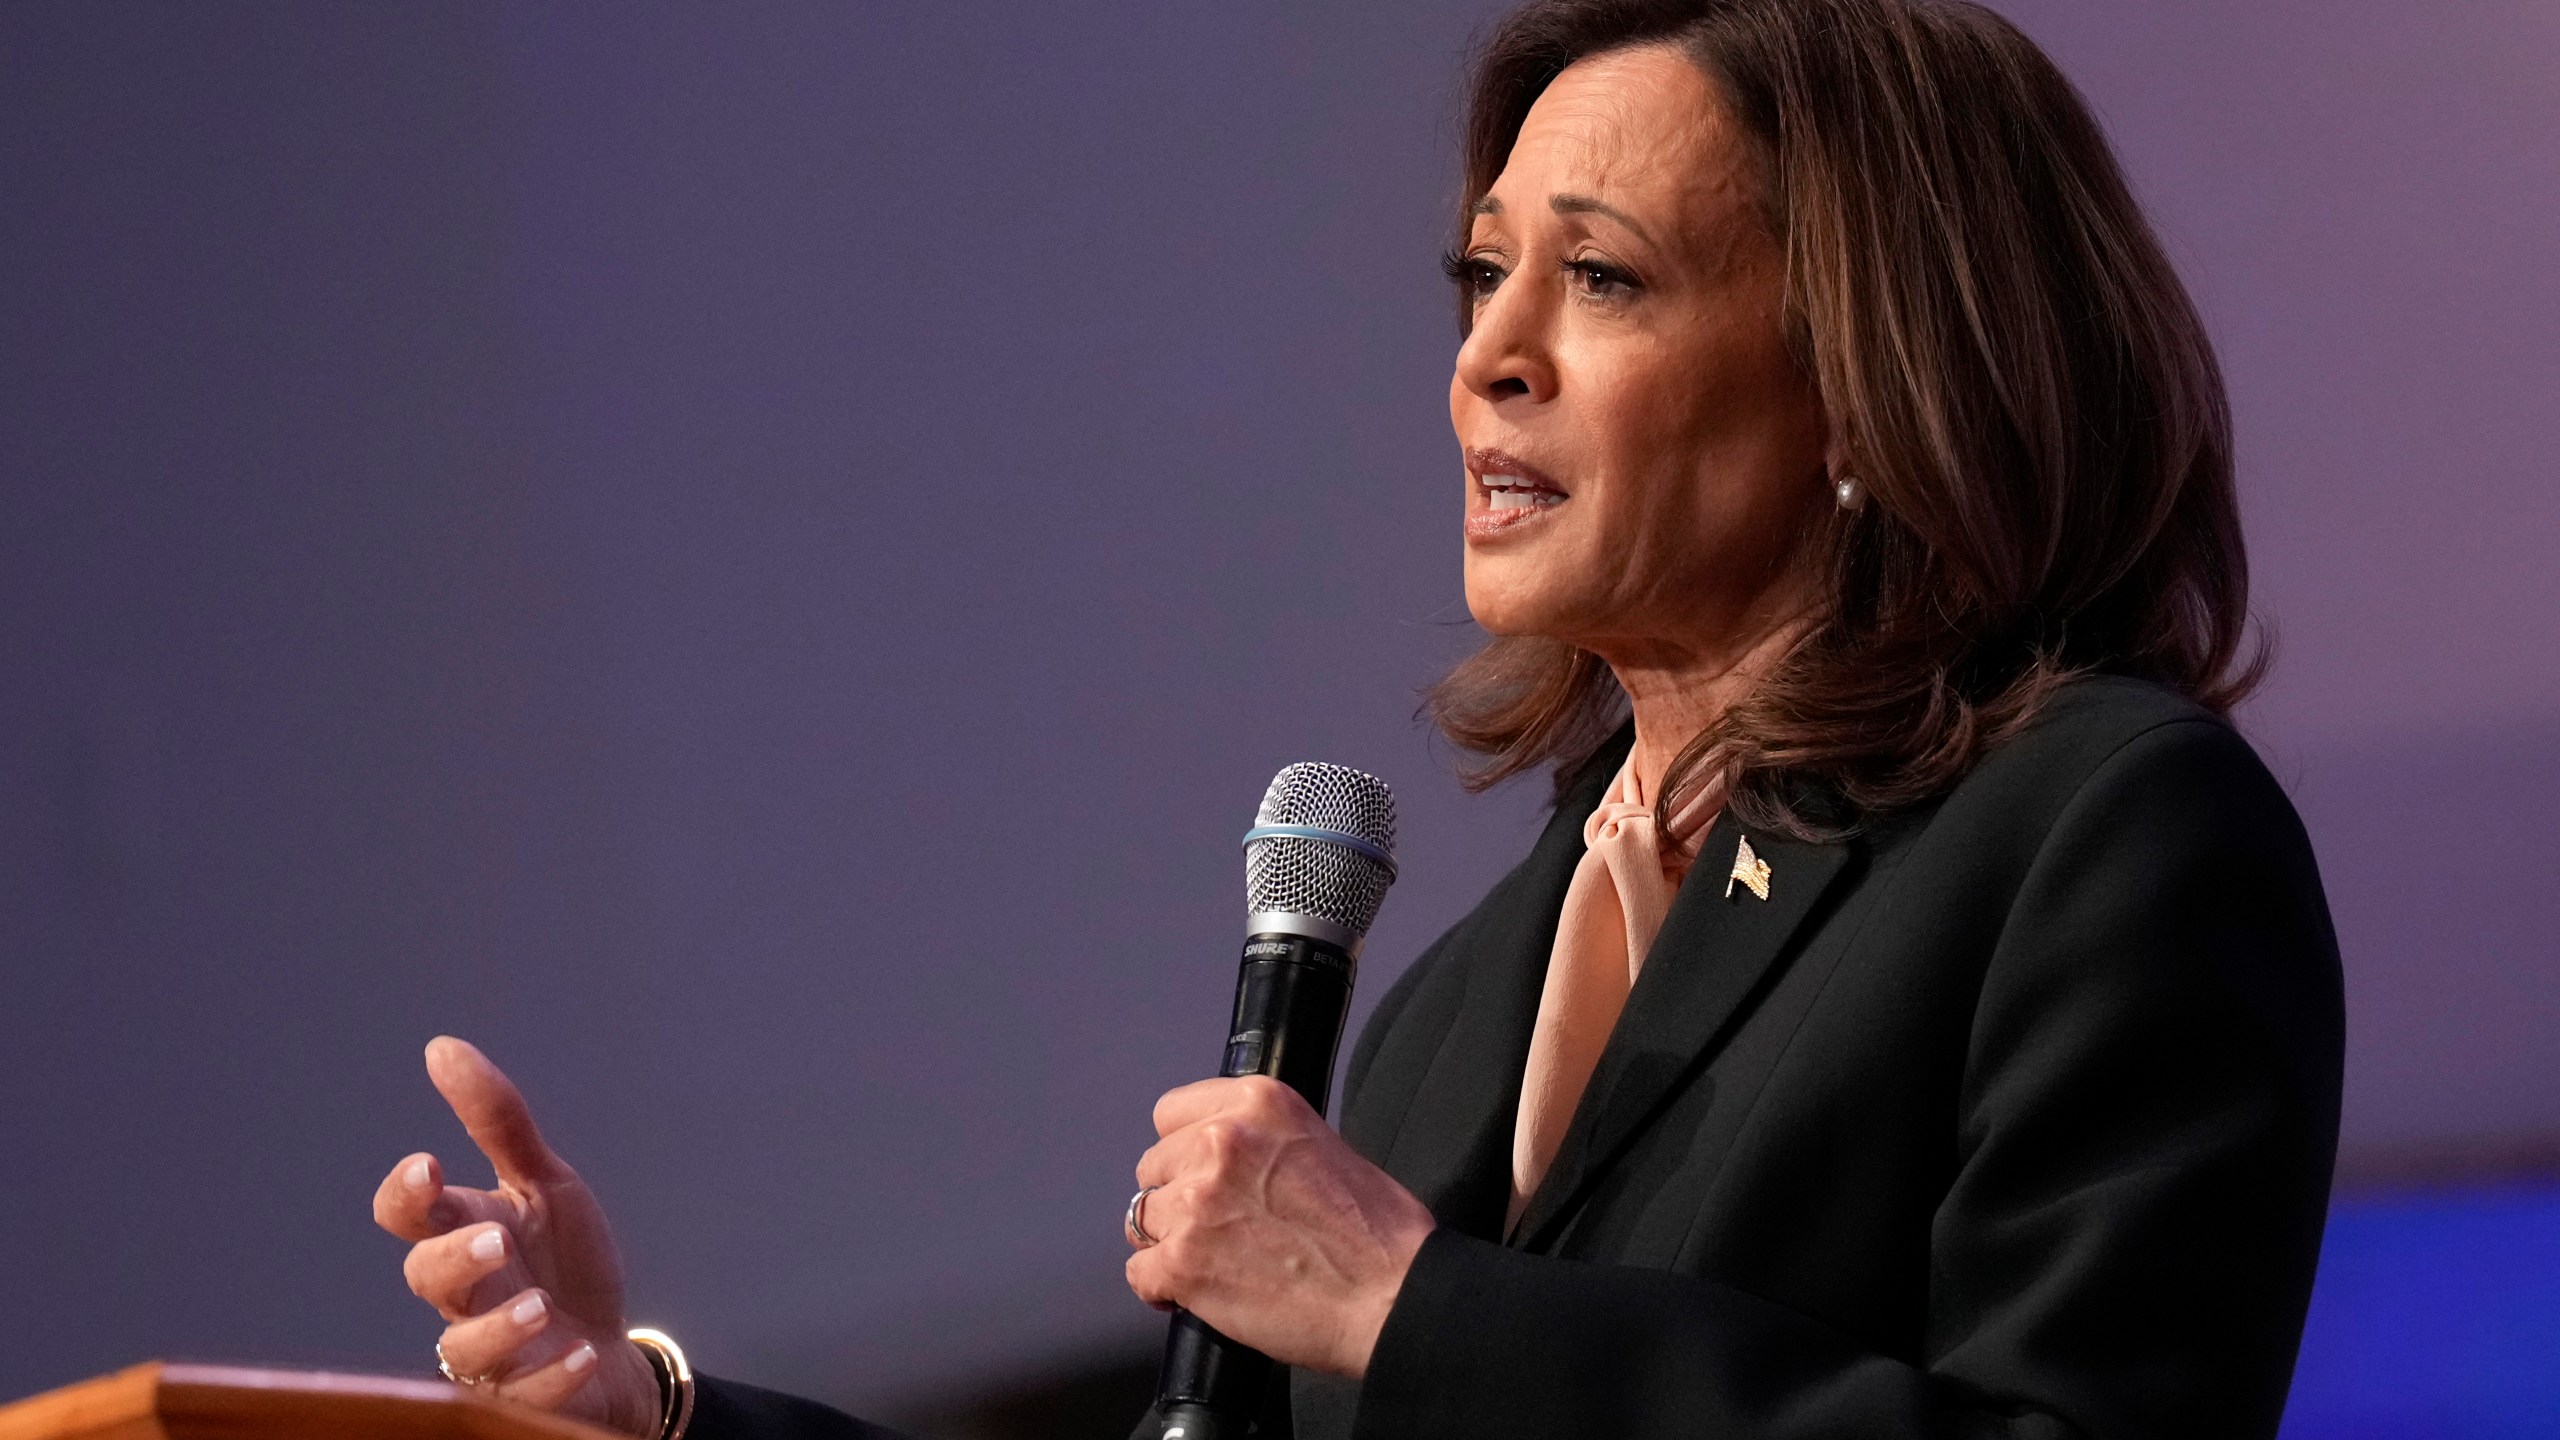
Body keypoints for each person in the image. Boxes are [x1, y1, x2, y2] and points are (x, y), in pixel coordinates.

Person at [371, 0, 2344, 1436]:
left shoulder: (2096, 833)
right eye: (1482, 272)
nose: (1488, 353)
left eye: (1600, 277)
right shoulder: (1448, 1006)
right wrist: (653, 1414)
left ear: (1871, 375)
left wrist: (1408, 1304)